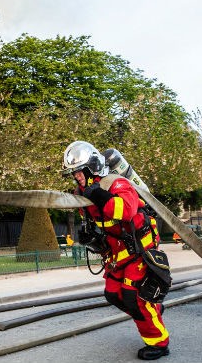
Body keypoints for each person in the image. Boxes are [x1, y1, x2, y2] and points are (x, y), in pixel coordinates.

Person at [63, 141, 170, 360]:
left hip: (138, 248)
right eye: (73, 173)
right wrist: (90, 237)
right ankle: (152, 313)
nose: (77, 177)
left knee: (134, 297)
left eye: (79, 171)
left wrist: (101, 197)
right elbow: (95, 223)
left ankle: (159, 342)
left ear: (91, 166)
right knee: (112, 294)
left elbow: (127, 210)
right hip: (116, 253)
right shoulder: (83, 192)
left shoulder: (115, 183)